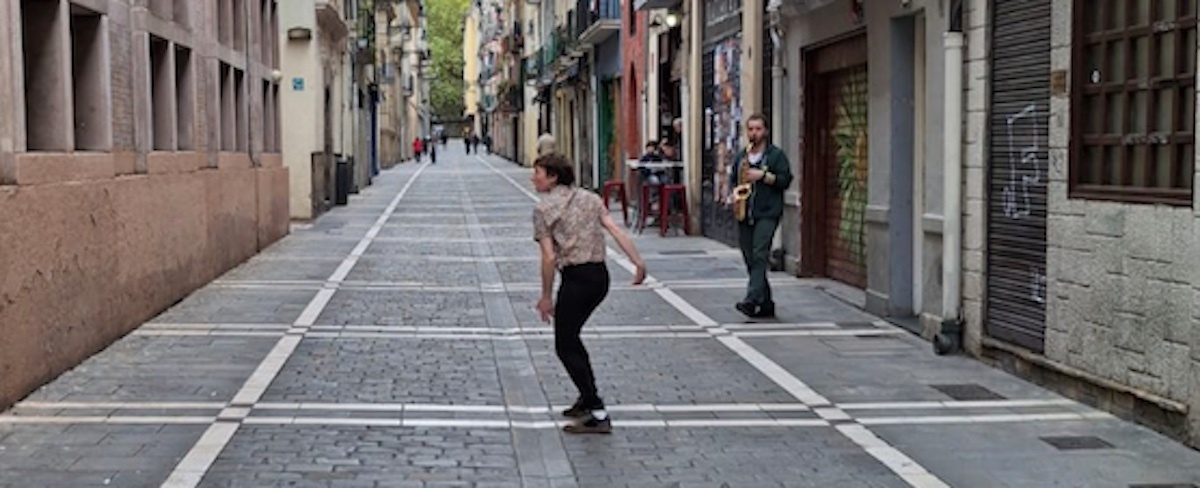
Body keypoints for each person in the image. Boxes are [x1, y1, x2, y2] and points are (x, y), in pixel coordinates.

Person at [531, 153, 647, 434]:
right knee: (572, 337)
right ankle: (586, 398)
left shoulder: (543, 210)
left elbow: (548, 257)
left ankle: (597, 410)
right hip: (599, 277)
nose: (533, 178)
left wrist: (546, 296)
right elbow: (615, 230)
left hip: (576, 279)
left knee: (565, 344)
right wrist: (638, 262)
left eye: (538, 173)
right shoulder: (590, 198)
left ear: (553, 177)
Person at [722, 113, 793, 318]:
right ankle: (766, 302)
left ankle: (751, 300)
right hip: (745, 213)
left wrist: (763, 176)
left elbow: (785, 180)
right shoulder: (742, 156)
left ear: (766, 131)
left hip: (768, 212)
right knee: (750, 258)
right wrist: (732, 196)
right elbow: (734, 180)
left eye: (758, 129)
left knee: (760, 254)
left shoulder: (776, 155)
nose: (754, 133)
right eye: (751, 129)